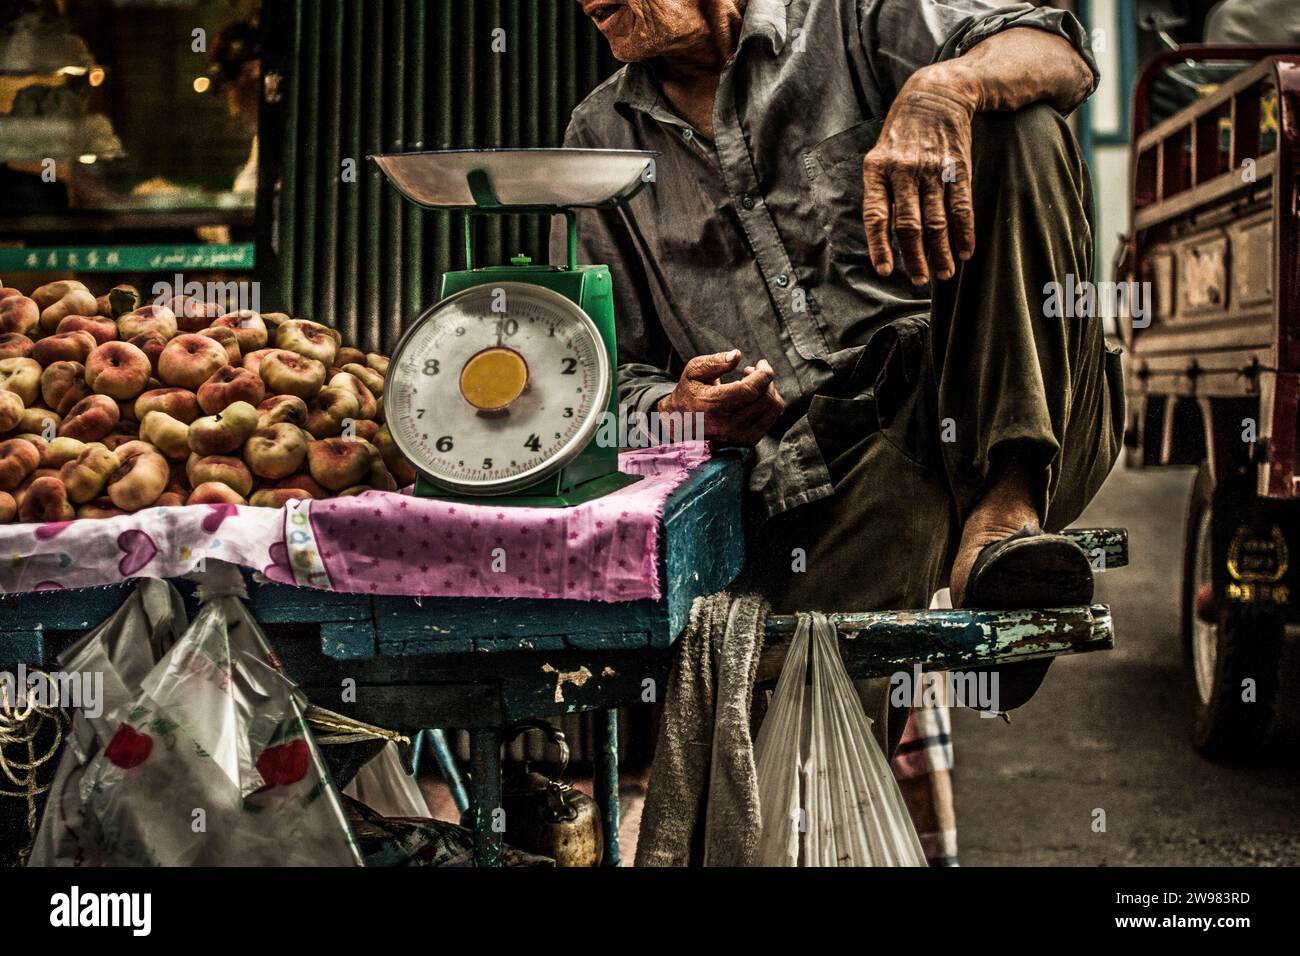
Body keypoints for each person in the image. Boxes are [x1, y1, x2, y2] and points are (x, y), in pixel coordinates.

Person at [557, 0, 1125, 755]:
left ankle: (1005, 514)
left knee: (1019, 117)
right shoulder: (601, 140)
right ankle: (982, 574)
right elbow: (598, 377)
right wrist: (677, 408)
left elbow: (1060, 53)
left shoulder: (849, 17)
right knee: (782, 788)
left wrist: (942, 89)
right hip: (833, 474)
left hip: (1011, 393)